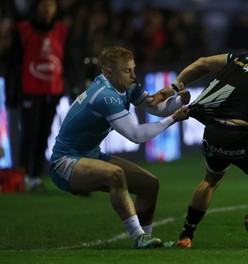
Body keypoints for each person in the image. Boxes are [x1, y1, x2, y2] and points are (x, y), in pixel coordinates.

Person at [152, 23, 248, 247]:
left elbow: (203, 62)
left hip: (213, 132)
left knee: (210, 181)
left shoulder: (240, 58)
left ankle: (186, 236)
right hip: (239, 137)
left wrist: (176, 85)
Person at [49, 46, 190, 249]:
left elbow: (156, 107)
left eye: (133, 69)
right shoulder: (105, 96)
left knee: (149, 184)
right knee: (115, 174)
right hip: (64, 162)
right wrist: (173, 119)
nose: (133, 75)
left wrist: (177, 101)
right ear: (109, 73)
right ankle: (138, 237)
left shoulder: (126, 86)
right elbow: (136, 135)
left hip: (90, 155)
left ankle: (148, 240)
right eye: (127, 70)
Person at [5, 0, 70, 191]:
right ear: (37, 7)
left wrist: (69, 84)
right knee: (29, 133)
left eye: (51, 4)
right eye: (44, 4)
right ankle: (21, 177)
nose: (47, 9)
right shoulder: (23, 29)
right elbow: (13, 62)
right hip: (30, 90)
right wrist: (11, 91)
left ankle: (34, 177)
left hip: (53, 89)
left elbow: (66, 60)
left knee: (44, 134)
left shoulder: (61, 30)